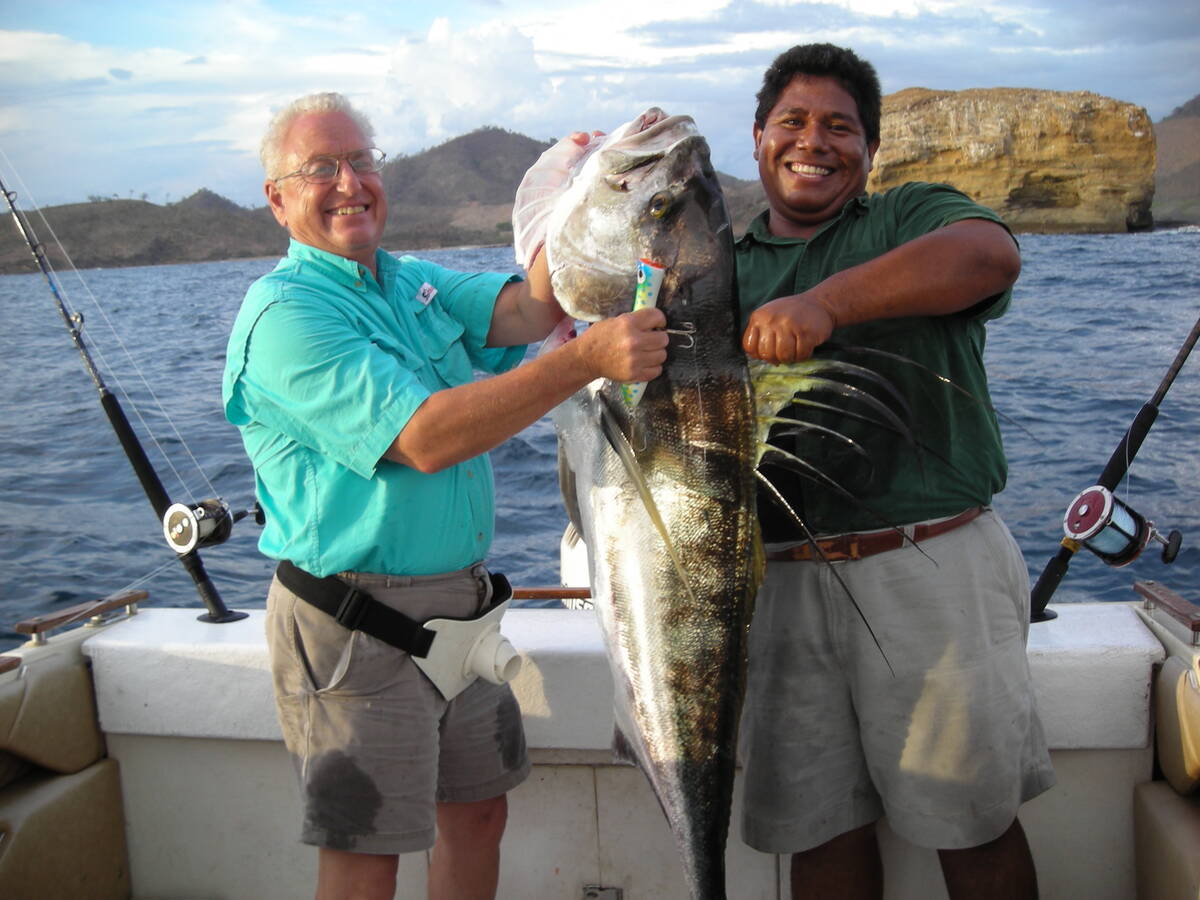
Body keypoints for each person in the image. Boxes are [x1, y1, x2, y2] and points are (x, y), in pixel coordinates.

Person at [221, 92, 667, 900]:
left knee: (478, 816)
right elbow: (426, 437)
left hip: (461, 611)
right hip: (353, 623)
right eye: (321, 168)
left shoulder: (406, 282)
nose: (349, 182)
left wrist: (573, 190)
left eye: (362, 161)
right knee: (367, 856)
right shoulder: (285, 317)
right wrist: (586, 360)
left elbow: (533, 307)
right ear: (278, 199)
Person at [735, 44, 1056, 899]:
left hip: (930, 565)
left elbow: (988, 257)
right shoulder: (716, 269)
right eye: (794, 122)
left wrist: (825, 304)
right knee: (820, 831)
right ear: (758, 136)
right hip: (781, 586)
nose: (816, 141)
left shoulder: (908, 216)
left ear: (869, 153)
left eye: (840, 126)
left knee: (973, 827)